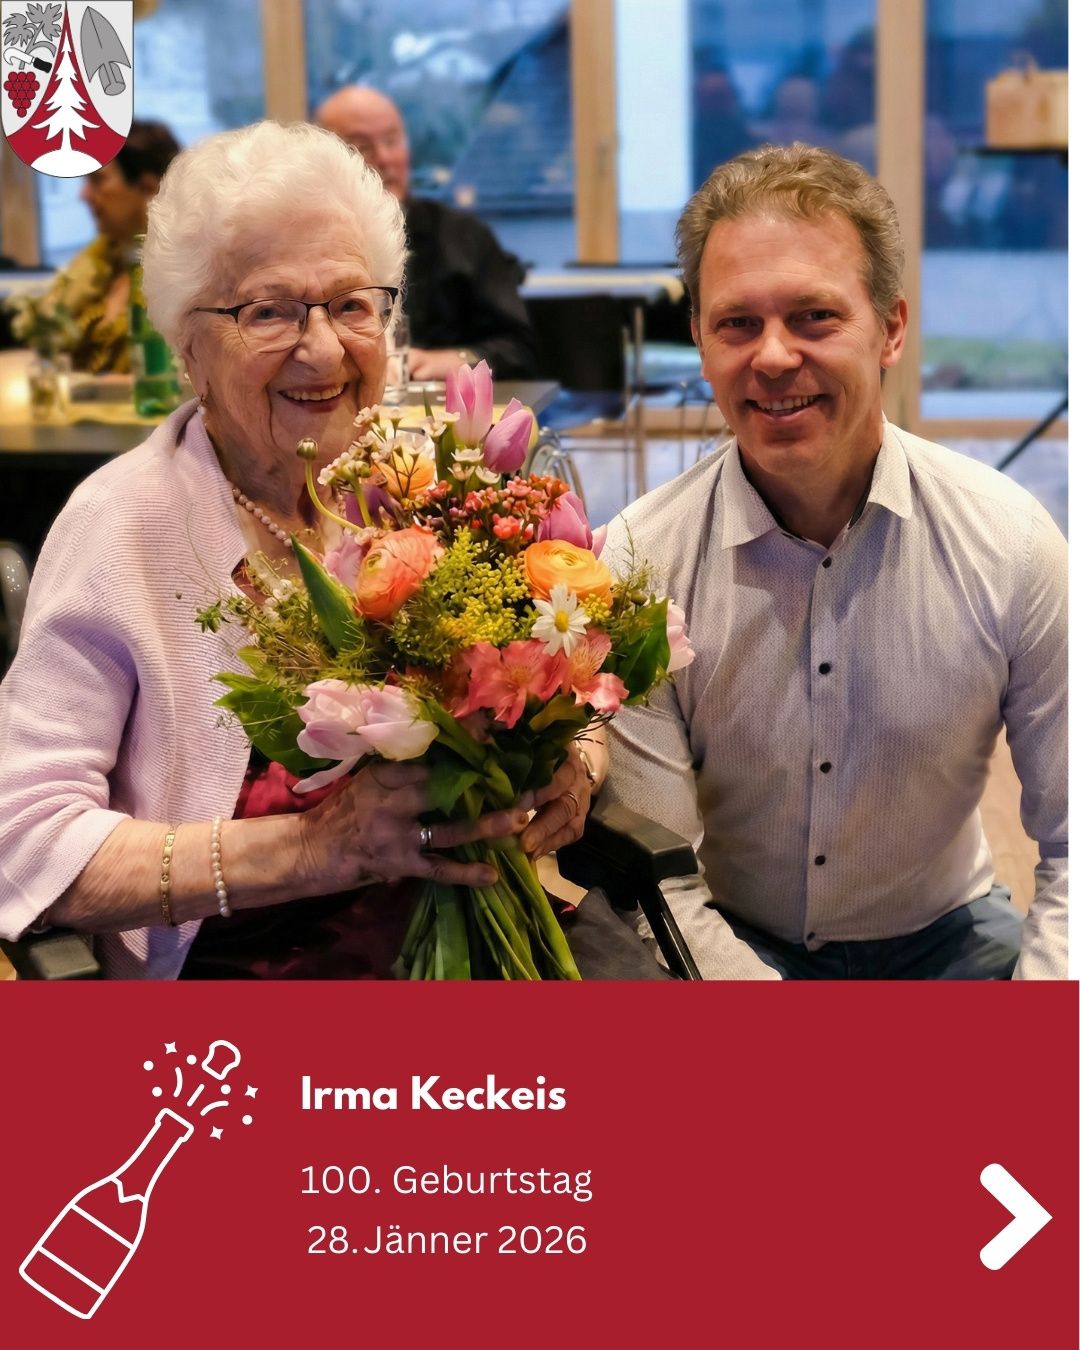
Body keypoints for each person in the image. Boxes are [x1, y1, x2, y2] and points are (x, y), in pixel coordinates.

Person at [0, 121, 591, 980]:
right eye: (268, 311)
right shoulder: (121, 525)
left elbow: (571, 669)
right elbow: (25, 838)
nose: (322, 350)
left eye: (352, 305)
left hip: (483, 937)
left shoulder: (426, 477)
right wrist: (318, 847)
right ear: (187, 342)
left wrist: (574, 763)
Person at [600, 143, 1066, 981]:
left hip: (951, 942)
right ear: (701, 342)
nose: (773, 357)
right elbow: (659, 878)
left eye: (814, 317)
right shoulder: (637, 561)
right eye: (737, 322)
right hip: (729, 942)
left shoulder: (1014, 545)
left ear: (890, 328)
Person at [315, 86, 538, 381]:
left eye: (392, 141)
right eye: (363, 147)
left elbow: (520, 351)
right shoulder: (308, 245)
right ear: (327, 160)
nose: (384, 158)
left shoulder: (464, 236)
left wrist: (456, 360)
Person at [41, 119, 181, 373]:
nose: (83, 195)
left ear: (148, 187)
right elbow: (42, 340)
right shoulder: (94, 263)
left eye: (98, 180)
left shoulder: (188, 272)